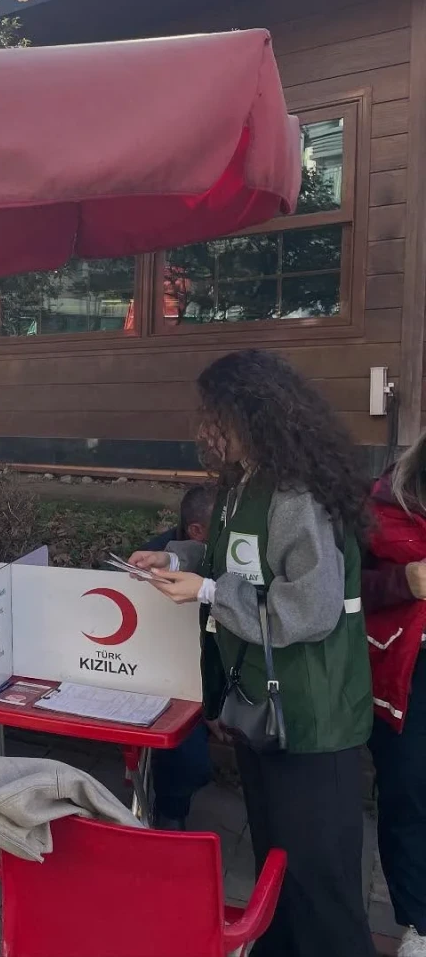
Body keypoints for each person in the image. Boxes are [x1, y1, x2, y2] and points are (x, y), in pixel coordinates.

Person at [129, 350, 374, 957]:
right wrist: (177, 561)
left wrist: (209, 592)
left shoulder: (295, 495)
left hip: (314, 718)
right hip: (265, 712)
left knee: (322, 886)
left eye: (215, 416)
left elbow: (310, 611)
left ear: (254, 414)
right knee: (279, 867)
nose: (206, 430)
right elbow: (233, 565)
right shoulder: (242, 487)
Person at [363, 434, 426, 957]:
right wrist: (405, 580)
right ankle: (418, 922)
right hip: (407, 670)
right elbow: (344, 589)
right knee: (407, 796)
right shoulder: (387, 502)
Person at [135, 484, 217, 830]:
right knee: (189, 756)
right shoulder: (156, 556)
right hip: (173, 674)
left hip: (227, 668)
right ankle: (170, 813)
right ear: (197, 532)